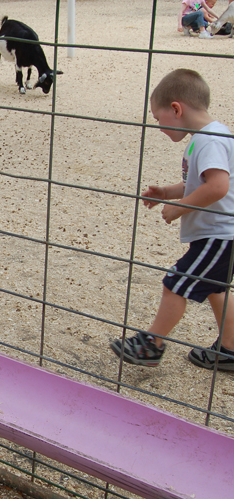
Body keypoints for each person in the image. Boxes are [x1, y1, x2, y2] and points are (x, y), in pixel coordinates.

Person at [111, 69, 234, 370]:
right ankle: (230, 349)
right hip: (218, 232)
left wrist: (181, 208)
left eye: (158, 118)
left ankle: (151, 344)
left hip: (221, 233)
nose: (159, 126)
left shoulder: (210, 140)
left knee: (176, 282)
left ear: (176, 109)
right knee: (215, 290)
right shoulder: (204, 138)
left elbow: (218, 187)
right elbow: (199, 183)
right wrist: (167, 193)